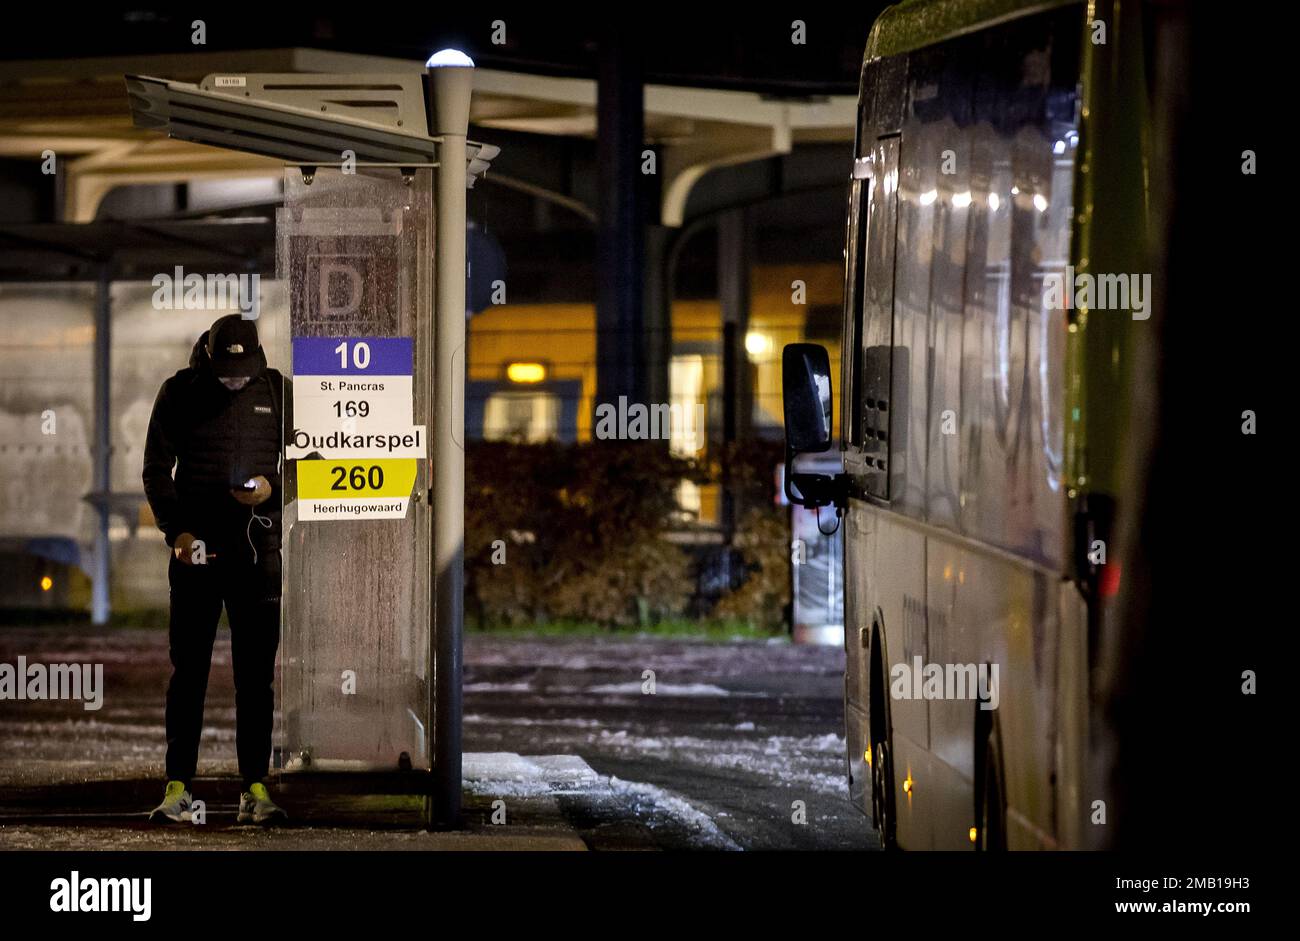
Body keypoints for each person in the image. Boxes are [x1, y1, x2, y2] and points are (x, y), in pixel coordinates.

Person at [142, 313, 287, 825]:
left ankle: (255, 788)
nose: (234, 382)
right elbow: (156, 468)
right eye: (227, 374)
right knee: (189, 675)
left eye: (243, 375)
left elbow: (306, 461)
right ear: (207, 357)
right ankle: (177, 786)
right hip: (195, 554)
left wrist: (273, 490)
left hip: (256, 556)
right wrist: (175, 532)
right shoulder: (178, 392)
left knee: (256, 679)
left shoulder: (278, 391)